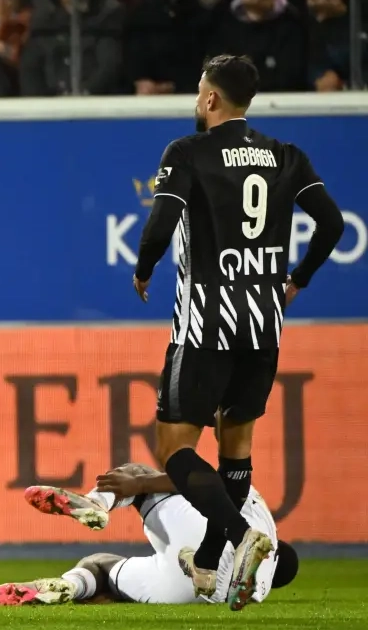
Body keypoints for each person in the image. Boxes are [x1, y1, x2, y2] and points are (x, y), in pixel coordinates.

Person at [132, 54, 345, 611]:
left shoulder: (188, 151)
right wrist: (298, 278)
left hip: (206, 325)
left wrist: (144, 267)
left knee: (174, 449)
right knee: (236, 448)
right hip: (263, 326)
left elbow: (160, 223)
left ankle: (239, 534)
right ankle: (208, 562)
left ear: (210, 98)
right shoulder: (286, 156)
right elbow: (333, 223)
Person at [0, 464, 298, 606]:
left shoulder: (264, 523)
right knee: (101, 567)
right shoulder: (261, 589)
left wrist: (141, 486)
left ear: (278, 546)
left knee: (138, 474)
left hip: (212, 541)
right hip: (204, 595)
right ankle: (71, 585)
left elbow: (209, 483)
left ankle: (98, 502)